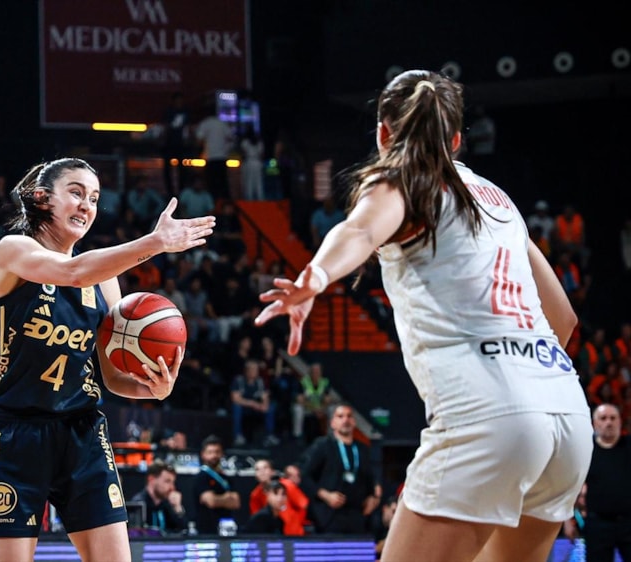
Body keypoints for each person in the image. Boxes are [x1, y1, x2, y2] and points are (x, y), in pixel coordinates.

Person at [254, 70, 593, 562]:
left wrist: (316, 276)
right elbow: (563, 319)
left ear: (383, 133)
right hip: (566, 412)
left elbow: (359, 231)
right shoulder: (499, 200)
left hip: (489, 412)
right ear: (455, 140)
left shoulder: (402, 179)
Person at [0, 157, 214, 562]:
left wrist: (154, 388)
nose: (87, 205)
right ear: (42, 198)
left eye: (94, 198)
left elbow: (111, 377)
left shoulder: (106, 278)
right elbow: (74, 272)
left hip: (82, 431)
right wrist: (155, 242)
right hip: (15, 432)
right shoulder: (13, 250)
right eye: (76, 193)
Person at [562, 404, 631, 561]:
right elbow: (570, 487)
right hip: (597, 524)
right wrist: (567, 521)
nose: (609, 422)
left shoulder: (628, 446)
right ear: (594, 423)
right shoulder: (586, 450)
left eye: (613, 418)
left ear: (620, 421)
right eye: (603, 418)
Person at [297, 404, 376, 534]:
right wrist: (326, 495)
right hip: (329, 516)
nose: (345, 420)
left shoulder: (362, 449)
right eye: (340, 416)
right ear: (332, 423)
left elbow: (370, 478)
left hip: (357, 515)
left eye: (349, 416)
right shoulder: (323, 445)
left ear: (354, 422)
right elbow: (305, 476)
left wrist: (372, 497)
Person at [191, 434, 240, 534]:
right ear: (203, 454)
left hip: (227, 529)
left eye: (217, 452)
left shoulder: (227, 478)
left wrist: (218, 499)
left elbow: (236, 502)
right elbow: (211, 502)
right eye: (210, 452)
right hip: (206, 531)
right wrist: (227, 498)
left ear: (222, 454)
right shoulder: (201, 477)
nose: (214, 456)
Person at [248, 458, 308, 536]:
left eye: (265, 468)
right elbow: (256, 517)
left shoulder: (287, 486)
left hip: (293, 534)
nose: (262, 472)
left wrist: (295, 522)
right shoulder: (255, 494)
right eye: (257, 469)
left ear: (272, 471)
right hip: (271, 535)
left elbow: (303, 505)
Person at [128, 459, 186, 534]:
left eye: (173, 482)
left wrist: (178, 508)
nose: (172, 487)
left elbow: (183, 532)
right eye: (167, 481)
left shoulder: (167, 504)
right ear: (151, 479)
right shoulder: (138, 504)